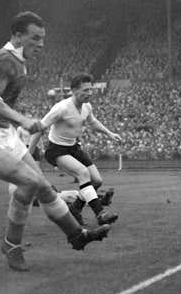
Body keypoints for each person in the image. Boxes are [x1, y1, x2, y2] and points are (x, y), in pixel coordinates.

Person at [0, 11, 110, 272]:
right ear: (17, 35)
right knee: (29, 182)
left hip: (3, 133)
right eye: (35, 38)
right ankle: (12, 245)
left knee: (42, 185)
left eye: (43, 39)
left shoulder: (9, 59)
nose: (40, 44)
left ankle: (77, 235)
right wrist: (18, 119)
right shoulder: (6, 60)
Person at [29, 73, 121, 226]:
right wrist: (28, 153)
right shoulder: (61, 108)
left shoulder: (87, 106)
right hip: (56, 150)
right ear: (73, 91)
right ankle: (100, 214)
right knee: (83, 173)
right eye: (85, 90)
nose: (89, 93)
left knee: (96, 181)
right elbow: (40, 128)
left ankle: (74, 209)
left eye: (90, 90)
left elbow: (92, 121)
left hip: (73, 147)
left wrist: (109, 133)